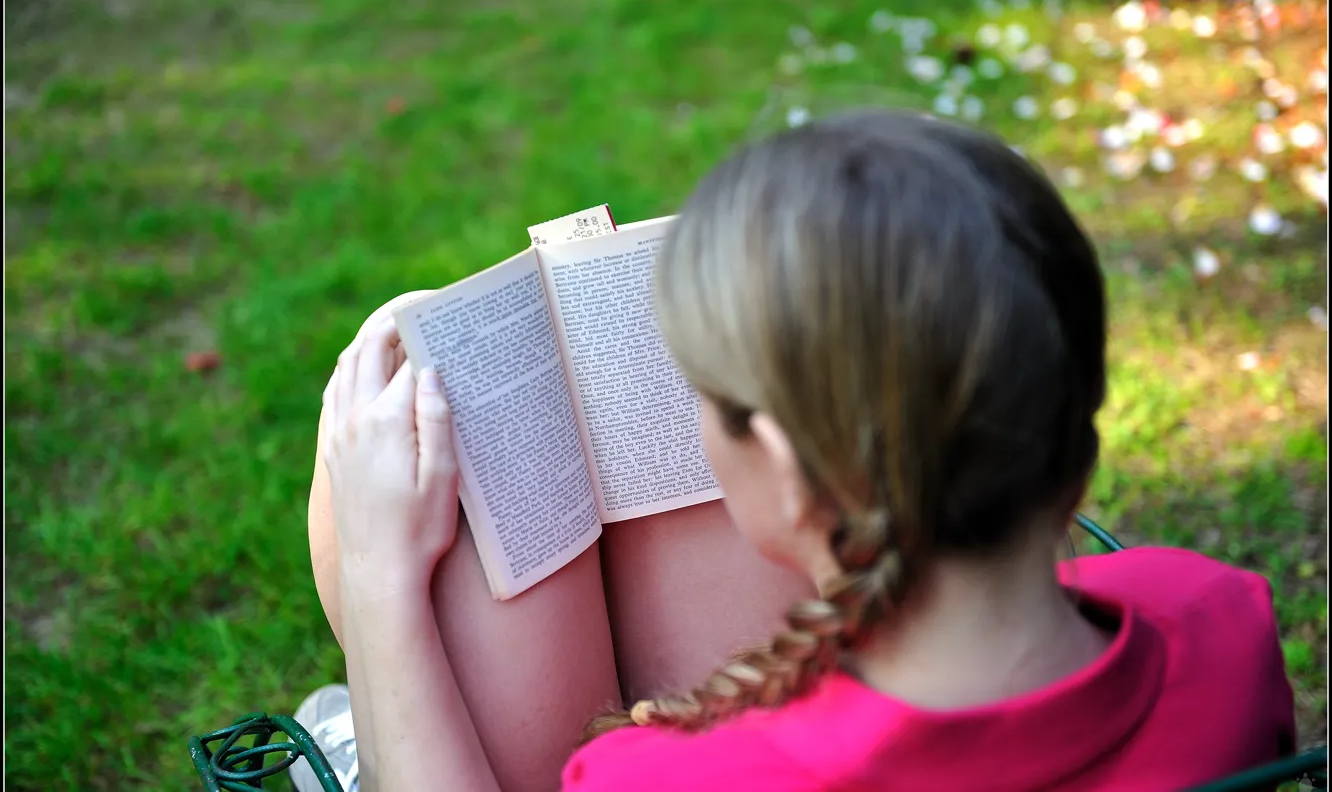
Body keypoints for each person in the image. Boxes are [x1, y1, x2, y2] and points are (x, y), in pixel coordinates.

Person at [296, 110, 1296, 792]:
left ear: (782, 463)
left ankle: (364, 738)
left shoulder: (661, 777)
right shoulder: (1219, 619)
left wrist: (384, 580)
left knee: (399, 360)